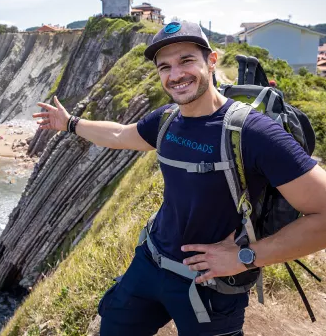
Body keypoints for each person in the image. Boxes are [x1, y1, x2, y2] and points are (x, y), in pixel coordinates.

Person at [33, 21, 326, 336]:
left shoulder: (253, 133)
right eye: (165, 67)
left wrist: (245, 257)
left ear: (211, 61)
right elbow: (120, 134)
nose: (175, 75)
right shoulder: (167, 120)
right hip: (149, 262)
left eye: (186, 60)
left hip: (210, 284)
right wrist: (70, 123)